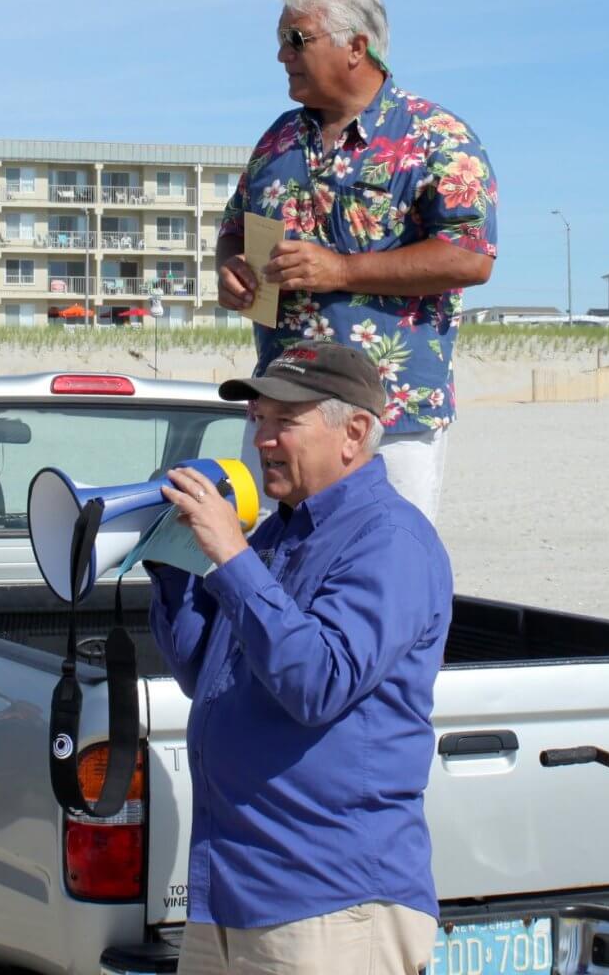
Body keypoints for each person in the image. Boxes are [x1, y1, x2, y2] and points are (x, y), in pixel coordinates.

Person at [148, 341, 452, 975]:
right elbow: (205, 674)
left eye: (284, 421)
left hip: (331, 901)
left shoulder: (389, 540)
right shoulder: (279, 532)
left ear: (356, 433)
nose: (261, 439)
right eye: (256, 419)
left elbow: (316, 682)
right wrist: (170, 565)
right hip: (233, 890)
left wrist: (232, 558)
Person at [216, 0, 497, 524]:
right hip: (283, 411)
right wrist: (231, 270)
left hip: (386, 415)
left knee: (383, 573)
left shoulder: (437, 136)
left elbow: (469, 256)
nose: (281, 55)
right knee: (275, 574)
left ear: (355, 46)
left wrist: (340, 270)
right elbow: (234, 230)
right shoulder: (277, 140)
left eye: (295, 39)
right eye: (280, 41)